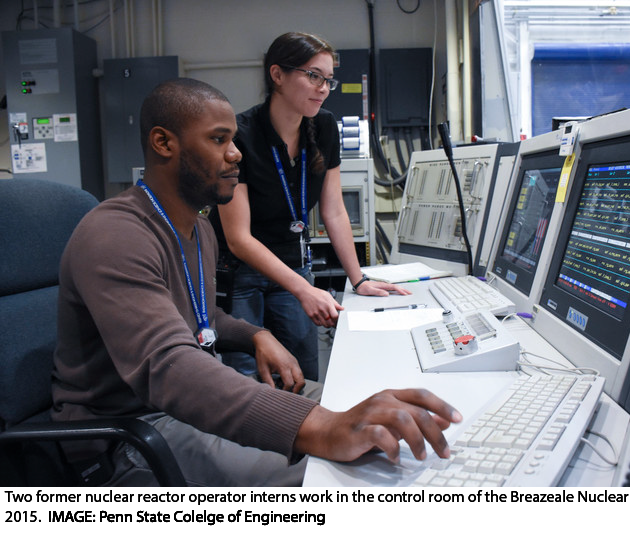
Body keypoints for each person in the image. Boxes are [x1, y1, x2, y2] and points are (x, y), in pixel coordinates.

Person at [51, 77, 461, 487]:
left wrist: (255, 335)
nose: (236, 154)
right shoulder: (116, 234)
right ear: (163, 143)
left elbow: (201, 317)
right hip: (130, 431)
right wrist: (320, 428)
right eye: (219, 140)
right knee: (348, 472)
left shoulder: (199, 228)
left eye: (234, 139)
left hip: (185, 404)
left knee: (373, 418)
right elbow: (167, 367)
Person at [213, 32, 409, 380]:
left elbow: (334, 211)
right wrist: (305, 289)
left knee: (302, 377)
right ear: (277, 75)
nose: (323, 87)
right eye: (313, 75)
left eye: (329, 80)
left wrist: (359, 278)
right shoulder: (242, 134)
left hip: (293, 264)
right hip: (243, 274)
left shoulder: (324, 127)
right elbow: (238, 238)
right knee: (246, 385)